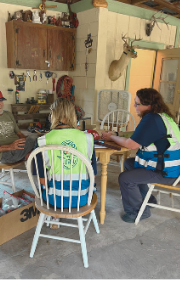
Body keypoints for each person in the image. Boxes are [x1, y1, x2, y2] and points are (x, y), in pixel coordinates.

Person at [100, 88, 180, 222]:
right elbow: (136, 136)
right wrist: (117, 135)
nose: (134, 106)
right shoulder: (162, 116)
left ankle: (137, 212)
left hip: (166, 173)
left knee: (125, 178)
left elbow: (131, 144)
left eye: (137, 104)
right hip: (171, 168)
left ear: (148, 105)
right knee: (129, 163)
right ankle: (148, 199)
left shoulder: (152, 119)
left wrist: (113, 137)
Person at [31, 98, 97, 210]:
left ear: (52, 116)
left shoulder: (42, 141)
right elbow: (93, 175)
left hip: (54, 200)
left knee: (41, 184)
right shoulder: (88, 138)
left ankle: (54, 217)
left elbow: (42, 180)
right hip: (82, 198)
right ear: (73, 116)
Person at [0, 87, 38, 165]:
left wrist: (28, 150)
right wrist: (10, 147)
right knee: (37, 143)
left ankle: (31, 155)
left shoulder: (8, 114)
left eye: (1, 100)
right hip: (5, 155)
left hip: (18, 149)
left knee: (38, 139)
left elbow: (19, 134)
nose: (0, 104)